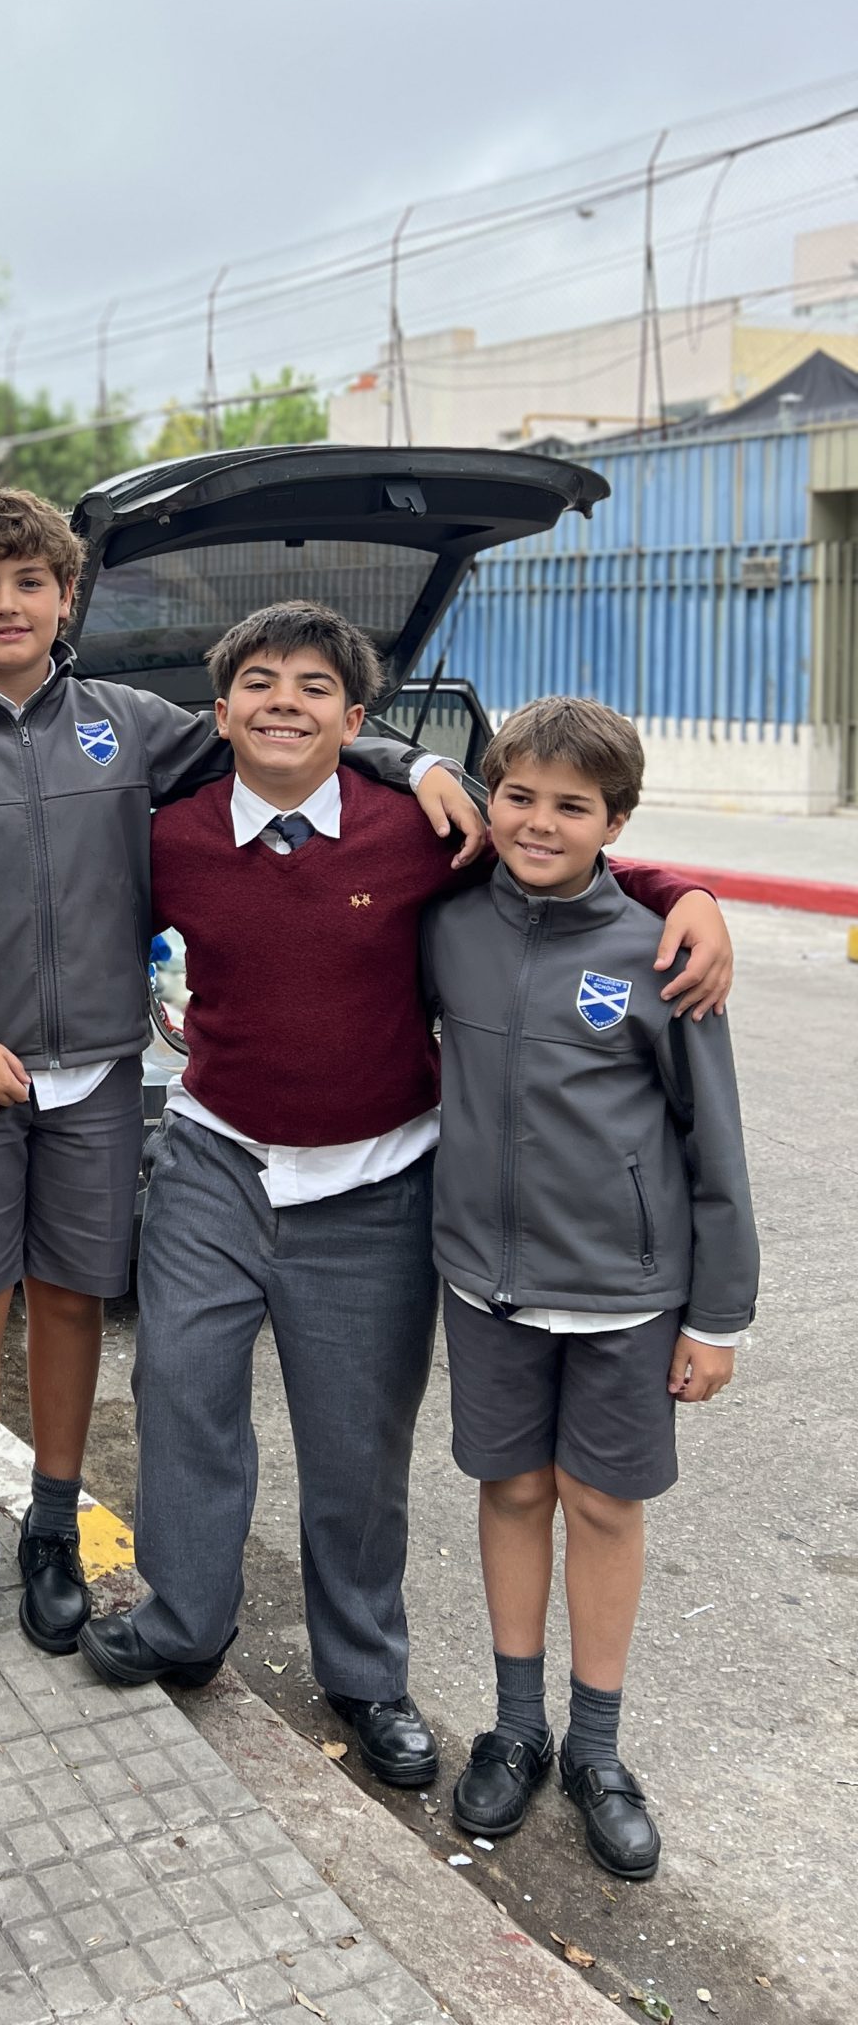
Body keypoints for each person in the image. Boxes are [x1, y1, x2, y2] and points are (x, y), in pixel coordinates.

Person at [79, 602, 736, 1800]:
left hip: (376, 1184)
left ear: (356, 719)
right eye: (260, 682)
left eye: (314, 686)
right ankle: (183, 1621)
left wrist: (680, 885)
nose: (285, 701)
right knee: (179, 1396)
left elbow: (561, 854)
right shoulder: (168, 836)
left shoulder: (423, 828)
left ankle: (365, 1673)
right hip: (216, 1167)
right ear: (219, 713)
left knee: (356, 1444)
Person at [0, 489, 485, 1669]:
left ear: (67, 597)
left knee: (69, 1300)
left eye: (31, 582)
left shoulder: (130, 722)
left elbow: (289, 741)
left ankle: (53, 1528)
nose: (8, 604)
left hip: (100, 1078)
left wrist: (417, 762)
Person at [423, 697, 757, 1882]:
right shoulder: (447, 922)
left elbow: (713, 1142)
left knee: (604, 1507)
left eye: (573, 806)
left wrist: (717, 1316)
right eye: (518, 795)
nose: (538, 821)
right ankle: (517, 1728)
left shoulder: (661, 951)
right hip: (487, 1284)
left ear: (616, 823)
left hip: (626, 1294)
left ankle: (597, 1749)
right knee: (513, 1491)